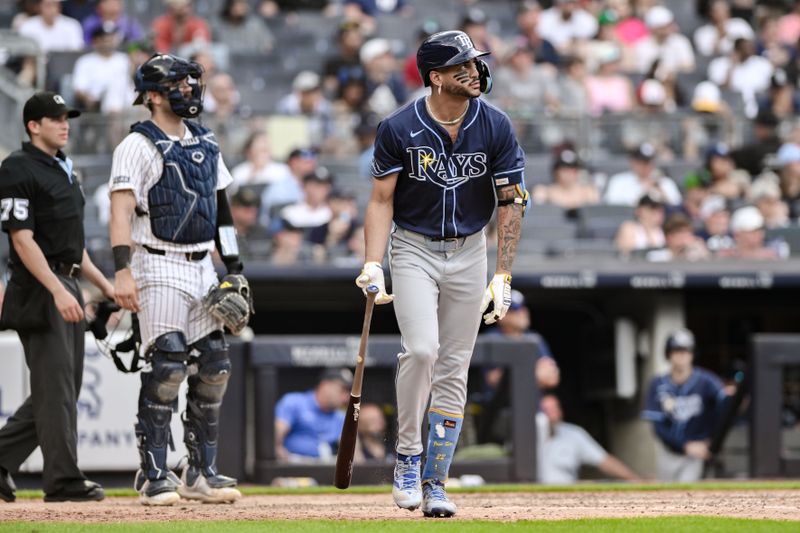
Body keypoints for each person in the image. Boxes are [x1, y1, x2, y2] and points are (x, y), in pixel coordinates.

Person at [355, 30, 526, 518]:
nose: (474, 71)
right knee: (423, 350)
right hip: (412, 247)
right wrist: (373, 261)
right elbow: (381, 200)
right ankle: (407, 458)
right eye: (462, 66)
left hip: (471, 249)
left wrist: (504, 273)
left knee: (455, 364)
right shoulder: (398, 126)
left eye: (474, 63)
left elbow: (512, 201)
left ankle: (436, 479)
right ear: (435, 77)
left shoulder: (494, 124)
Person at [108, 54, 246, 506]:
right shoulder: (137, 144)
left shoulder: (206, 140)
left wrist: (236, 268)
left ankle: (201, 472)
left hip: (202, 264)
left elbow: (221, 210)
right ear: (151, 94)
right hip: (156, 260)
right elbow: (121, 211)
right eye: (178, 84)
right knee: (167, 365)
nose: (188, 90)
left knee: (215, 365)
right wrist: (122, 269)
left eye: (190, 82)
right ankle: (153, 472)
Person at [0, 91, 115, 503]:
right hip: (39, 285)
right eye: (55, 118)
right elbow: (22, 239)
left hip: (64, 280)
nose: (65, 124)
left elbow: (72, 245)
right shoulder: (16, 168)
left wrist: (103, 284)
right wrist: (55, 289)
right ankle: (64, 480)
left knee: (62, 389)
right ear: (33, 125)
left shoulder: (64, 168)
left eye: (66, 117)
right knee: (58, 391)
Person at [642, 329, 727, 482]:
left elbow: (725, 409)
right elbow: (658, 427)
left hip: (698, 453)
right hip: (669, 453)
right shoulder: (658, 383)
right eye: (677, 350)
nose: (682, 355)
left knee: (688, 498)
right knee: (665, 500)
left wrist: (712, 442)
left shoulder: (707, 381)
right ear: (668, 354)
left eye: (686, 351)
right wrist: (684, 446)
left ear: (692, 354)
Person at [537, 395, 641, 485]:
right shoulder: (525, 435)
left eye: (555, 409)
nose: (552, 415)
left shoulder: (574, 434)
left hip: (565, 497)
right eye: (546, 410)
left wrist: (635, 479)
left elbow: (604, 461)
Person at [274, 368, 352, 461]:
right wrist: (284, 458)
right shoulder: (294, 402)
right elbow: (275, 439)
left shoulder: (341, 417)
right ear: (325, 385)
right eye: (342, 390)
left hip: (327, 468)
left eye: (348, 392)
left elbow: (354, 456)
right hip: (294, 467)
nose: (346, 397)